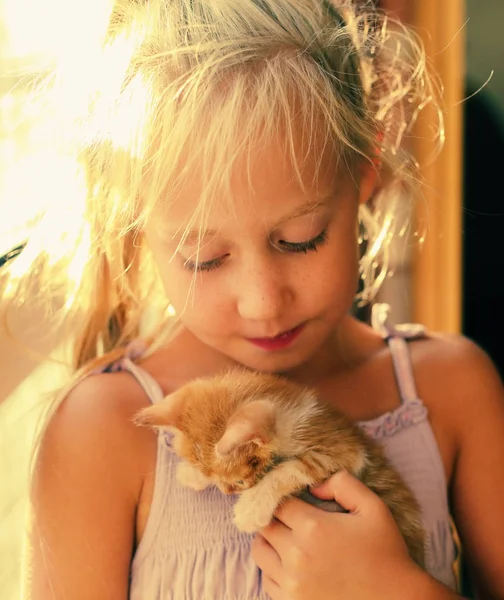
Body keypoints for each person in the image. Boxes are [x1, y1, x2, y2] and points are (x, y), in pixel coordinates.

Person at [4, 1, 503, 598]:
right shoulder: (105, 430)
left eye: (301, 239)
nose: (264, 302)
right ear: (137, 222)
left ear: (364, 170)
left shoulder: (451, 390)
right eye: (205, 258)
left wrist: (396, 589)